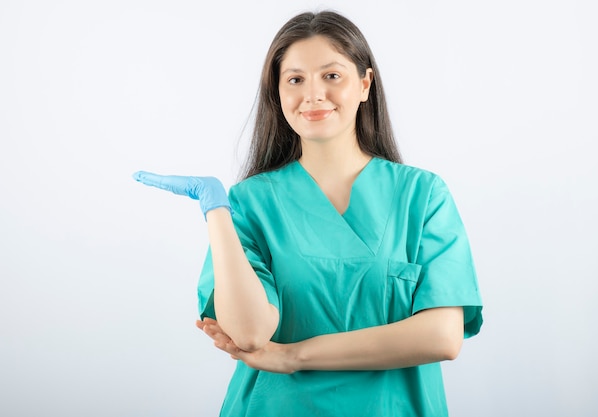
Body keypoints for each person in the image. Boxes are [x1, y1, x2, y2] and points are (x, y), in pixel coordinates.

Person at [133, 10, 482, 417]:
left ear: (365, 84)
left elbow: (442, 336)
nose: (313, 95)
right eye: (295, 79)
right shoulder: (250, 203)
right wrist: (216, 210)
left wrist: (294, 355)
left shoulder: (422, 195)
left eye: (332, 76)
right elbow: (249, 333)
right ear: (278, 94)